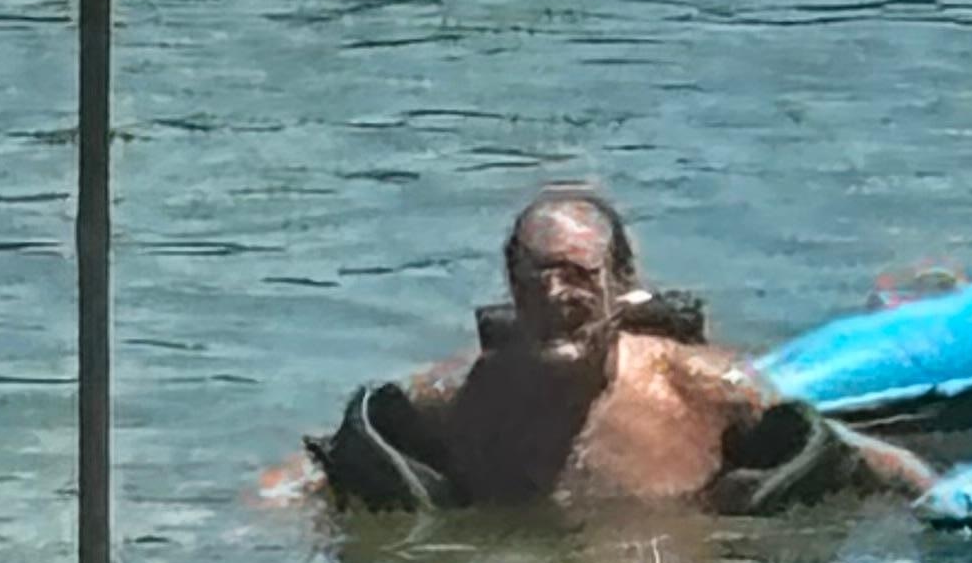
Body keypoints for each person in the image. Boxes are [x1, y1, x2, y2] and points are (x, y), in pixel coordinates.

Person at [303, 184, 934, 515]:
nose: (553, 294)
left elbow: (845, 453)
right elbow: (326, 468)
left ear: (622, 285)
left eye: (577, 274)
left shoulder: (703, 391)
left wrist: (936, 500)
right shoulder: (460, 398)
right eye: (533, 274)